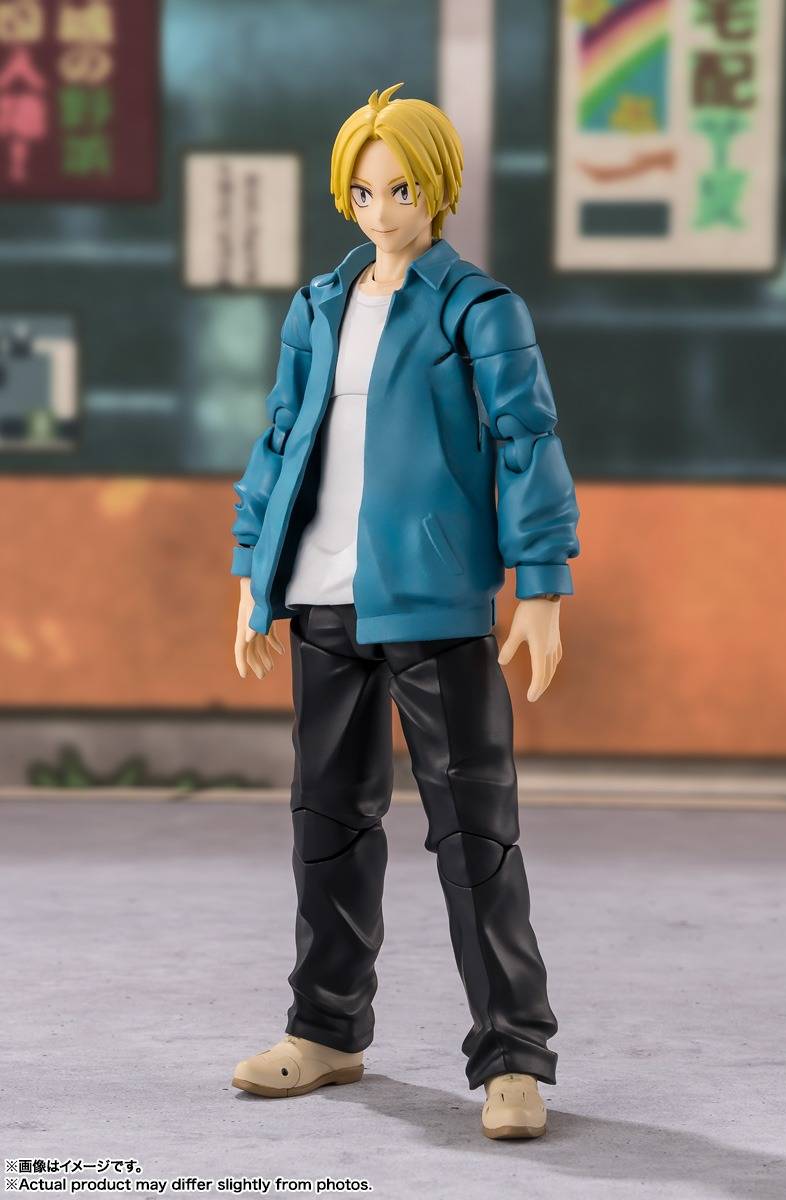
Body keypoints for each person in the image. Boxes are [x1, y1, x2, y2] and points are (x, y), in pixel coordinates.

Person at [228, 82, 580, 1140]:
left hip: (433, 600)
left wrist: (541, 585)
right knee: (327, 823)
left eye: (402, 190)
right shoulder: (317, 305)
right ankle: (326, 1028)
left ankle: (511, 1057)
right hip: (323, 597)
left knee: (475, 833)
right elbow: (281, 436)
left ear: (438, 191)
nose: (381, 210)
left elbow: (526, 441)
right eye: (364, 191)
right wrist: (253, 572)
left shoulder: (478, 308)